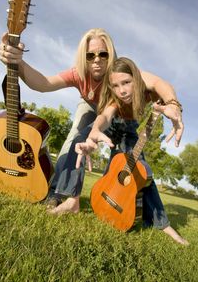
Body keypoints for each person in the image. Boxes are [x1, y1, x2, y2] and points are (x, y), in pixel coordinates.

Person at [0, 29, 184, 215]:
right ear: (83, 57)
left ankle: (123, 201)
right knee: (76, 139)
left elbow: (159, 83)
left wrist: (173, 104)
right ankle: (61, 194)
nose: (97, 60)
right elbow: (44, 83)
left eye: (103, 54)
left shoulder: (121, 73)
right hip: (90, 107)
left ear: (110, 55)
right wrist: (18, 61)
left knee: (127, 158)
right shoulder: (78, 73)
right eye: (90, 55)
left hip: (115, 113)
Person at [75, 57, 188, 245]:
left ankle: (162, 223)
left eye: (126, 82)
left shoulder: (145, 81)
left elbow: (163, 85)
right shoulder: (114, 97)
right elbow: (105, 116)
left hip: (129, 127)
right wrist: (94, 131)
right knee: (82, 142)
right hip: (110, 125)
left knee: (140, 172)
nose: (122, 90)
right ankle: (68, 198)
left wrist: (174, 106)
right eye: (116, 86)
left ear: (135, 77)